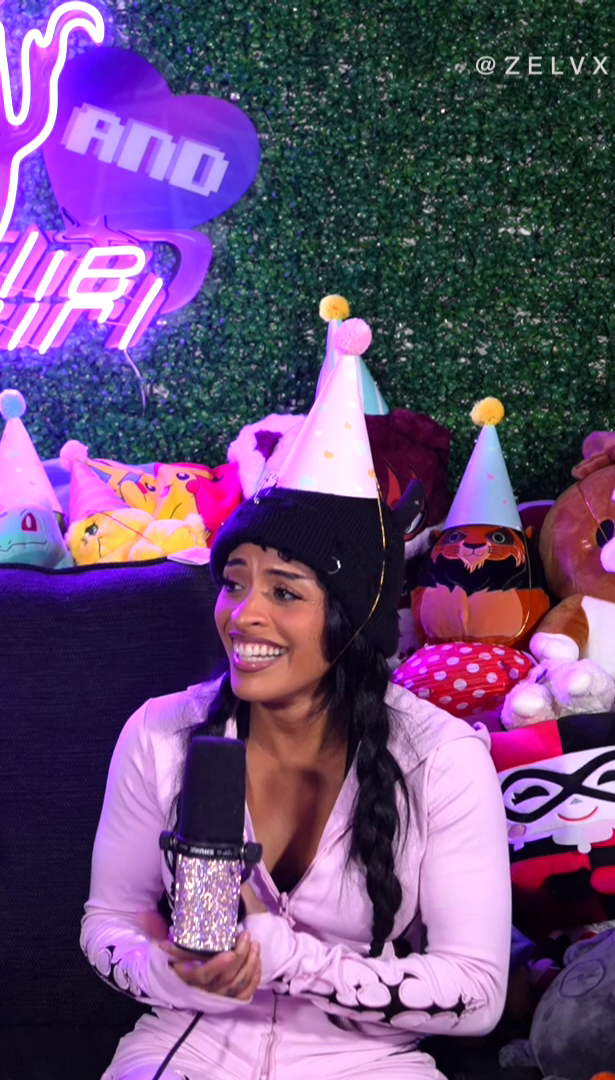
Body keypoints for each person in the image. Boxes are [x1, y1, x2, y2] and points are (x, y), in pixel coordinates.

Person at [81, 315, 511, 1079]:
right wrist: (174, 972)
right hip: (190, 1044)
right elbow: (109, 921)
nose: (243, 614)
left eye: (284, 591)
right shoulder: (160, 733)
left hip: (367, 1064)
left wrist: (291, 961)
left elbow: (477, 994)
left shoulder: (442, 758)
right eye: (234, 582)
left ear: (353, 620)